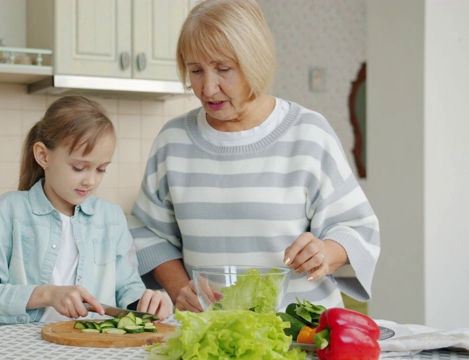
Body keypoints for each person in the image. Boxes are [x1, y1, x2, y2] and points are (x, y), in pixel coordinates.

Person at [129, 0, 380, 312]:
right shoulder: (173, 140)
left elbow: (357, 228)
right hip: (211, 332)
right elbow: (147, 233)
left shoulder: (308, 133)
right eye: (195, 70)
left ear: (255, 61)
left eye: (223, 69)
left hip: (299, 333)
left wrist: (325, 252)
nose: (208, 87)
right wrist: (182, 289)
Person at [0, 95, 172, 325]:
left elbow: (127, 288)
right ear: (43, 155)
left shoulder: (111, 218)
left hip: (92, 349)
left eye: (101, 169)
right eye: (79, 167)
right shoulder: (8, 211)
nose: (90, 181)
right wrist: (48, 294)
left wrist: (146, 301)